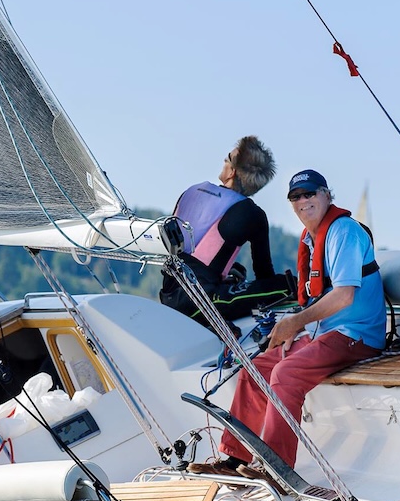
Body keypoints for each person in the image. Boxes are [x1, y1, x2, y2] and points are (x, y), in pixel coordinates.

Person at [190, 169, 386, 476]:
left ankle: (276, 468)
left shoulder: (343, 231)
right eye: (296, 197)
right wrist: (295, 325)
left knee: (286, 373)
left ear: (326, 195)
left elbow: (344, 295)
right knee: (256, 370)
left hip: (356, 334)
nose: (303, 201)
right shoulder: (311, 238)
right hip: (324, 332)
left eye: (310, 193)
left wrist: (294, 323)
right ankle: (235, 459)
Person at [159, 135, 289, 322]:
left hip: (168, 295)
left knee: (235, 271)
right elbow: (264, 276)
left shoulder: (192, 190)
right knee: (283, 285)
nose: (223, 160)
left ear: (232, 172)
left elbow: (189, 256)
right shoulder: (252, 213)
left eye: (227, 158)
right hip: (201, 302)